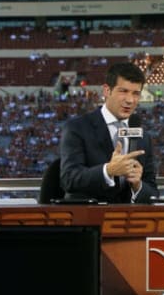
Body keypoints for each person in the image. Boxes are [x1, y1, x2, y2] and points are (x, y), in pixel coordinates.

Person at [60, 62, 158, 203]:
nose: (130, 100)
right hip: (89, 218)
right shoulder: (77, 128)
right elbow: (69, 179)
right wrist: (108, 171)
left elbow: (153, 191)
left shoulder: (143, 137)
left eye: (136, 93)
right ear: (107, 90)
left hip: (128, 220)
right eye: (123, 91)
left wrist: (137, 185)